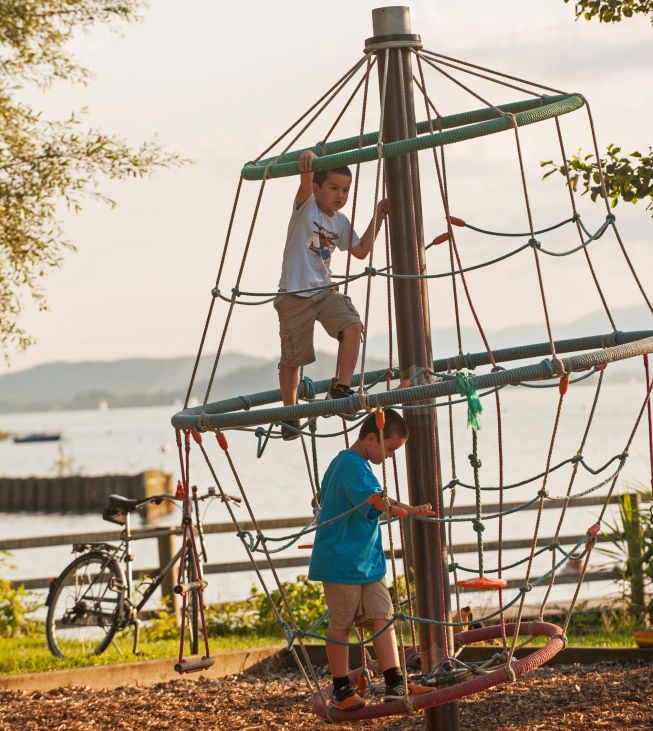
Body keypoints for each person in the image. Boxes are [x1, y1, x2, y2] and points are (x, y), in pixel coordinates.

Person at [308, 409, 433, 711]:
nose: (390, 456)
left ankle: (394, 683)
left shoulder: (349, 463)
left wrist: (405, 509)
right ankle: (340, 690)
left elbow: (341, 498)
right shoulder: (352, 466)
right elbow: (375, 500)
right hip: (342, 562)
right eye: (389, 448)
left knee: (383, 617)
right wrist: (408, 510)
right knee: (341, 623)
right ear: (371, 438)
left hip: (365, 561)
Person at [275, 149, 389, 440]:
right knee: (293, 358)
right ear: (317, 189)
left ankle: (341, 386)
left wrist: (379, 215)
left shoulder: (339, 221)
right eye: (334, 188)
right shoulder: (306, 207)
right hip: (295, 294)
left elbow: (361, 251)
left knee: (352, 326)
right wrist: (308, 165)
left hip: (324, 291)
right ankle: (290, 413)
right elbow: (304, 183)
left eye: (345, 190)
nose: (340, 195)